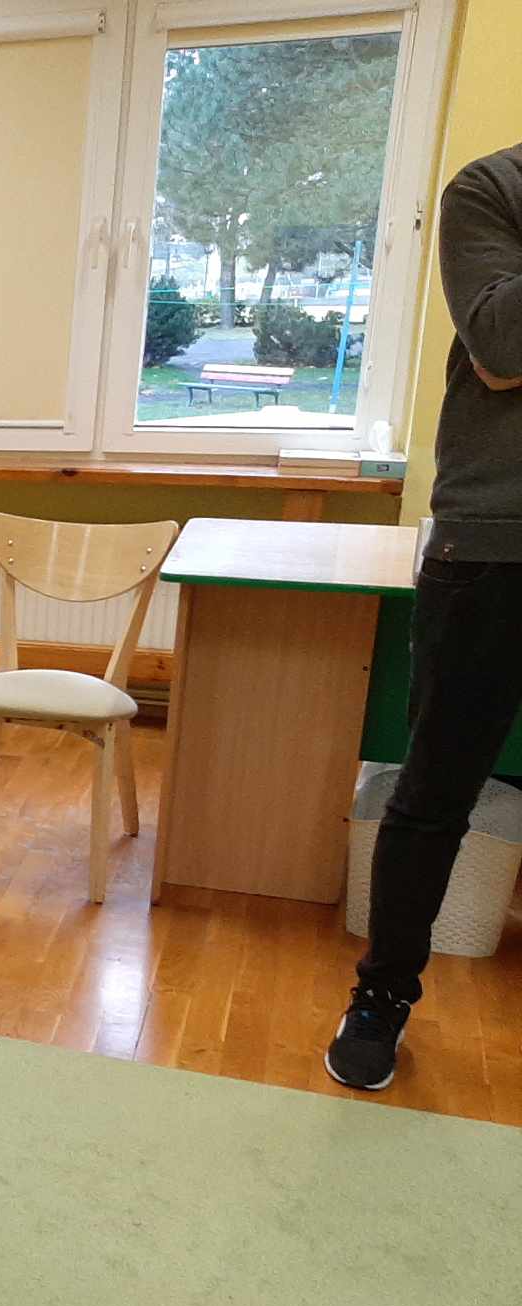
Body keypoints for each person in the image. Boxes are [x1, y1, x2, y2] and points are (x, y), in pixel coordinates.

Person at [325, 142, 522, 1092]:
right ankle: (382, 996)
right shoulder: (492, 188)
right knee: (434, 792)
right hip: (491, 546)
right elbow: (503, 348)